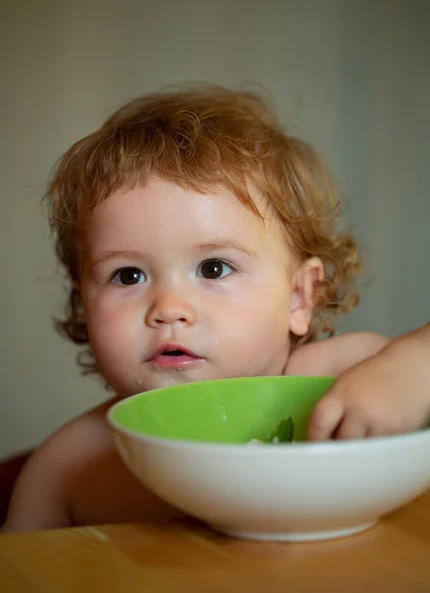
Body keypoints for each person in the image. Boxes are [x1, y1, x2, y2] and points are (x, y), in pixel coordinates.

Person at [2, 86, 427, 534]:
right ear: (83, 303)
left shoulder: (335, 382)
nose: (169, 308)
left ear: (300, 297)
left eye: (213, 267)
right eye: (128, 276)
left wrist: (412, 369)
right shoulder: (68, 466)